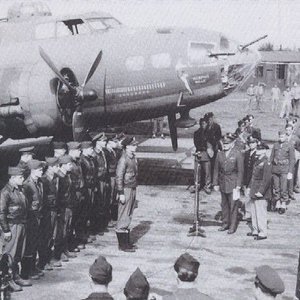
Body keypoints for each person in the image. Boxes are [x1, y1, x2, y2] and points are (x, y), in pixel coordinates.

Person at [0, 167, 31, 291]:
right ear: (12, 178)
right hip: (12, 226)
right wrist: (6, 230)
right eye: (20, 177)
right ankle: (7, 280)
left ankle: (15, 276)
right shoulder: (5, 192)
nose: (23, 179)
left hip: (21, 224)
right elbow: (1, 213)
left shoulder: (20, 189)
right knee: (9, 255)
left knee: (19, 253)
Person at [213, 134, 243, 234]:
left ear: (232, 144)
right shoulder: (220, 154)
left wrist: (239, 184)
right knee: (224, 205)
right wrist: (215, 183)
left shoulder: (237, 154)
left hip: (233, 183)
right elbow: (216, 170)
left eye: (227, 143)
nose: (225, 145)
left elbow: (240, 171)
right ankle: (225, 223)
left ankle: (232, 226)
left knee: (233, 205)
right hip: (223, 183)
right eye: (224, 143)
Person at [21, 160, 45, 282]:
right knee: (29, 245)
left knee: (35, 243)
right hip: (31, 219)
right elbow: (26, 205)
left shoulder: (38, 182)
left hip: (38, 217)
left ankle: (32, 267)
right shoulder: (27, 185)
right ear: (32, 170)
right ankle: (26, 272)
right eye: (40, 170)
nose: (42, 171)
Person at [115, 136, 138, 252]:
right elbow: (119, 177)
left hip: (132, 188)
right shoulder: (123, 159)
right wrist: (121, 193)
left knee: (128, 214)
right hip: (126, 189)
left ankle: (126, 243)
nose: (136, 147)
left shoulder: (132, 157)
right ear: (127, 146)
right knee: (123, 215)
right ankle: (122, 245)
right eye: (133, 145)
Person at [41, 157, 62, 269]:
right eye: (56, 166)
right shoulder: (44, 180)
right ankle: (43, 262)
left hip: (54, 210)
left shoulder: (55, 178)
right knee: (46, 236)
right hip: (47, 212)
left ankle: (49, 259)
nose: (58, 169)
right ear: (50, 167)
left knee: (52, 236)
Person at [248, 143, 271, 240]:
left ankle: (262, 232)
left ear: (265, 150)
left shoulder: (267, 162)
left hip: (261, 192)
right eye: (258, 149)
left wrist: (261, 191)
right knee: (253, 211)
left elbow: (267, 179)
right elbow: (253, 176)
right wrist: (249, 187)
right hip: (254, 189)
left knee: (260, 212)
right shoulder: (257, 161)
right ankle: (255, 229)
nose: (258, 151)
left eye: (260, 149)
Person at [56, 155, 77, 262]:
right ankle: (59, 253)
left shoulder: (67, 175)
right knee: (61, 231)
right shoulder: (59, 177)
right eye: (69, 164)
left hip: (69, 206)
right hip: (63, 208)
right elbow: (58, 195)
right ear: (62, 165)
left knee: (67, 229)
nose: (71, 166)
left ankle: (65, 249)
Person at [270, 130, 295, 214]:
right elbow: (271, 156)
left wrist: (290, 171)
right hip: (275, 169)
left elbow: (292, 159)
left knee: (284, 187)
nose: (281, 138)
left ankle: (283, 202)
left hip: (285, 169)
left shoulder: (290, 145)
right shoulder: (275, 145)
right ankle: (277, 201)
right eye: (280, 136)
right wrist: (270, 167)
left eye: (283, 136)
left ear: (286, 137)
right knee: (276, 187)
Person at [67, 141, 85, 252]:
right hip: (74, 194)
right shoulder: (70, 164)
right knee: (71, 221)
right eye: (78, 150)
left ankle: (76, 240)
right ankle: (70, 244)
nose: (80, 152)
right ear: (72, 151)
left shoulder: (76, 162)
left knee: (77, 218)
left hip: (79, 193)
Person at [93, 133, 109, 232]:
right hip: (97, 181)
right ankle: (96, 227)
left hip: (103, 180)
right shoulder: (94, 154)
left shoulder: (102, 152)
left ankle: (101, 225)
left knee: (102, 202)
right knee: (97, 204)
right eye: (103, 141)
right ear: (97, 142)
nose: (105, 142)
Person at [193, 117, 211, 194]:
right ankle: (196, 185)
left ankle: (207, 186)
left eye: (204, 123)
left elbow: (212, 143)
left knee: (207, 172)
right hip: (199, 152)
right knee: (197, 171)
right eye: (202, 124)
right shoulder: (196, 133)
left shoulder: (210, 133)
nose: (203, 125)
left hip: (207, 154)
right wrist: (202, 148)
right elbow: (196, 143)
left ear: (207, 124)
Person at [243, 136, 258, 221]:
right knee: (247, 196)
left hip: (254, 178)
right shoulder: (247, 153)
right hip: (246, 178)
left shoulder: (258, 153)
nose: (251, 145)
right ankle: (248, 214)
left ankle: (253, 214)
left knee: (253, 196)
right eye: (250, 143)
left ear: (256, 143)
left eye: (253, 143)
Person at [205, 112, 222, 181]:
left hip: (214, 148)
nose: (209, 120)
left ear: (212, 118)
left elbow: (218, 137)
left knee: (214, 165)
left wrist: (214, 145)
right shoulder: (206, 126)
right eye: (208, 119)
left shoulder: (217, 126)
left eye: (210, 119)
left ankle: (214, 180)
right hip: (207, 148)